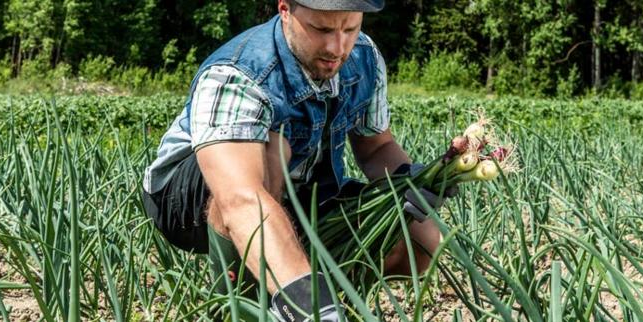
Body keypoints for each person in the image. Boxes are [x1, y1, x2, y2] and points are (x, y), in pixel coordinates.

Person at [141, 0, 451, 320]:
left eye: (350, 28)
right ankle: (240, 306)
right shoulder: (239, 72)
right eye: (322, 29)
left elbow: (376, 148)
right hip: (187, 200)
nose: (337, 47)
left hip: (301, 192)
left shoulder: (364, 56)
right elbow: (238, 197)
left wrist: (412, 178)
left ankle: (331, 299)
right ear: (285, 9)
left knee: (422, 236)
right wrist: (308, 301)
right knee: (274, 149)